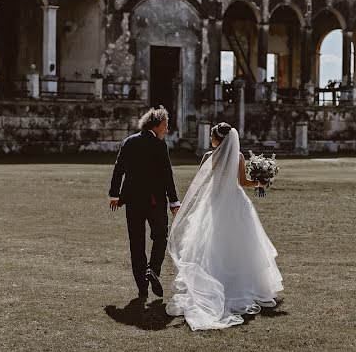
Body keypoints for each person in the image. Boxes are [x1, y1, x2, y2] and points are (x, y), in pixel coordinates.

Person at [165, 122, 283, 330]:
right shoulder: (238, 157)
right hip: (235, 202)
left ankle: (212, 283)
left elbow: (200, 182)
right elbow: (244, 183)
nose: (211, 140)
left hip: (214, 201)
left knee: (211, 243)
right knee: (240, 244)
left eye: (212, 137)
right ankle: (242, 285)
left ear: (217, 139)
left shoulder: (208, 156)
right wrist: (260, 182)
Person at [108, 107, 181, 299]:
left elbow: (118, 169)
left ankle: (142, 286)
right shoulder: (159, 145)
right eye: (165, 126)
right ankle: (153, 270)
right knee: (160, 236)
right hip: (154, 200)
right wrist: (173, 200)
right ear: (155, 125)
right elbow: (167, 174)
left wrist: (114, 194)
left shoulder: (128, 142)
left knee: (136, 242)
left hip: (132, 200)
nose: (166, 129)